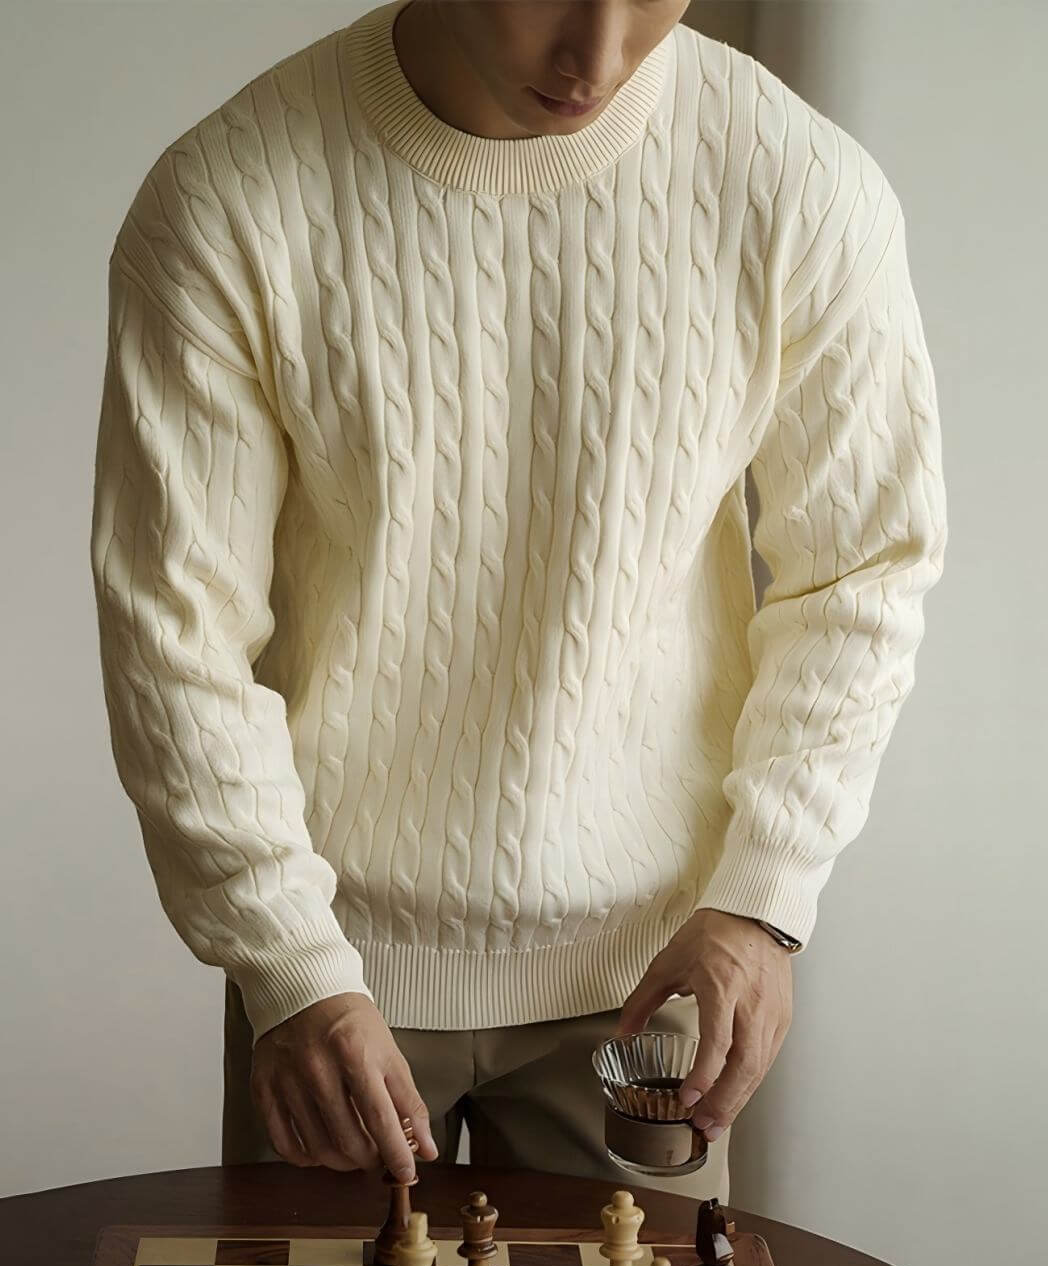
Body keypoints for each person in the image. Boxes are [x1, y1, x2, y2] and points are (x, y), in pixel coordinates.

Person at [89, 0, 948, 1203]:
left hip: (660, 973)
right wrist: (287, 961)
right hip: (334, 974)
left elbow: (861, 571)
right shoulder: (230, 199)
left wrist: (764, 900)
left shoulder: (797, 186)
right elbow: (174, 638)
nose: (596, 56)